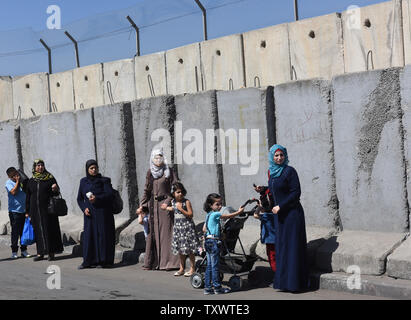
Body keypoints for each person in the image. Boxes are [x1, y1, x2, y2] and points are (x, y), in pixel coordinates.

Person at [266, 144, 309, 292]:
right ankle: (283, 283)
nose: (279, 158)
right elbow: (274, 191)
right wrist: (263, 190)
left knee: (292, 248)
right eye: (276, 156)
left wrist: (281, 206)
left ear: (285, 156)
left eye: (281, 155)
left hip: (292, 215)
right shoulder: (272, 173)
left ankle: (295, 284)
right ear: (272, 157)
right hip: (280, 217)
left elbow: (295, 193)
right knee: (282, 248)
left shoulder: (290, 171)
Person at [136, 149, 180, 271]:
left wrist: (168, 201)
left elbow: (176, 189)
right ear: (152, 159)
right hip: (153, 207)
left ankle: (169, 263)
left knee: (166, 235)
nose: (158, 159)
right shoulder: (150, 172)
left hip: (164, 206)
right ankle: (153, 262)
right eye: (155, 157)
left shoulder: (169, 171)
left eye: (160, 157)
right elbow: (146, 190)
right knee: (152, 235)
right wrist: (142, 205)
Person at [202, 193, 244, 295]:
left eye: (221, 204)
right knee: (215, 266)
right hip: (214, 242)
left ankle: (208, 288)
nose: (220, 206)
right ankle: (217, 288)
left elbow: (204, 229)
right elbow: (228, 216)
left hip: (208, 241)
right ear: (210, 205)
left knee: (209, 266)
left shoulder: (208, 215)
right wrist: (238, 212)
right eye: (217, 204)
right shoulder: (216, 214)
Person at [77, 159, 116, 269]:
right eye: (91, 168)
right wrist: (84, 208)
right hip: (89, 214)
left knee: (103, 237)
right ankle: (88, 261)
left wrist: (97, 198)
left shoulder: (104, 180)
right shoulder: (83, 181)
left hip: (103, 213)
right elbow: (79, 199)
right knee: (89, 237)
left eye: (95, 168)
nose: (94, 170)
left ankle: (103, 261)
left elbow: (109, 195)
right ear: (87, 169)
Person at [26, 159, 63, 261]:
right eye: (38, 165)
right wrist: (27, 211)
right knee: (38, 231)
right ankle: (40, 253)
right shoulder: (31, 180)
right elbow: (28, 197)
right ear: (34, 167)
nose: (40, 167)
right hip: (35, 211)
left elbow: (56, 193)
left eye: (42, 165)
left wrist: (55, 189)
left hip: (48, 210)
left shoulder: (50, 178)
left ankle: (51, 253)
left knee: (49, 231)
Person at [161, 182, 199, 277]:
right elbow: (173, 209)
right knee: (181, 250)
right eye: (178, 192)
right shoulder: (173, 202)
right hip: (178, 228)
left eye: (181, 192)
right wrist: (166, 208)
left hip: (187, 228)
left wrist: (181, 209)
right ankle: (181, 268)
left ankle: (192, 268)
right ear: (173, 193)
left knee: (190, 250)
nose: (180, 194)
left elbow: (190, 214)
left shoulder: (186, 202)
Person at [5, 167, 31, 259]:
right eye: (13, 176)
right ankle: (14, 251)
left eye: (16, 174)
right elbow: (13, 192)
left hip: (24, 210)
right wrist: (17, 182)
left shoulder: (22, 181)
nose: (16, 176)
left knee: (23, 232)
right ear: (9, 176)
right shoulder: (8, 183)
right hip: (14, 212)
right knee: (15, 232)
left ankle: (24, 250)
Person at [253, 185, 277, 274]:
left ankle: (278, 276)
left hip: (270, 241)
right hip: (279, 239)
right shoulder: (276, 215)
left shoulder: (266, 216)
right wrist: (263, 189)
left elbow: (256, 215)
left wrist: (259, 206)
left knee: (272, 257)